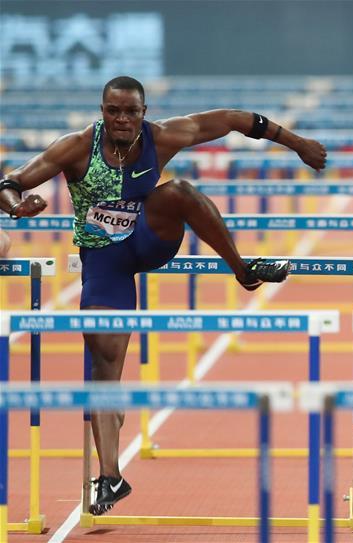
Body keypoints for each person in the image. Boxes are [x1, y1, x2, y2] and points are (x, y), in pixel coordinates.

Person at [0, 76, 327, 515]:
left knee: (180, 192)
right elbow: (11, 181)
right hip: (104, 262)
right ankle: (111, 476)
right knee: (104, 367)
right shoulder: (75, 146)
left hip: (151, 237)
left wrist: (297, 142)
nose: (121, 119)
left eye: (130, 111)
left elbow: (235, 120)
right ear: (102, 111)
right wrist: (17, 206)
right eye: (113, 111)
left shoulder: (165, 136)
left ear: (143, 112)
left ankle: (243, 271)